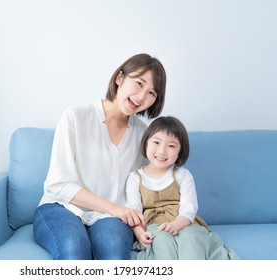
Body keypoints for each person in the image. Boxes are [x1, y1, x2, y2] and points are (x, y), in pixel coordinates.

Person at [33, 53, 167, 260]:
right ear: (120, 78)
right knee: (73, 249)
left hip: (111, 218)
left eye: (151, 93)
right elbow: (58, 185)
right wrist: (115, 209)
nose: (141, 97)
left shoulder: (145, 135)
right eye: (139, 84)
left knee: (115, 254)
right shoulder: (75, 117)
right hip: (61, 208)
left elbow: (143, 186)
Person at [126, 116, 240, 259]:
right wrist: (140, 234)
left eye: (171, 146)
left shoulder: (183, 175)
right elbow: (134, 213)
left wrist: (175, 225)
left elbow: (189, 208)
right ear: (146, 143)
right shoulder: (135, 178)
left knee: (191, 239)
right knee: (162, 241)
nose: (162, 151)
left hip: (183, 222)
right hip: (154, 226)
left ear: (180, 151)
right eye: (156, 142)